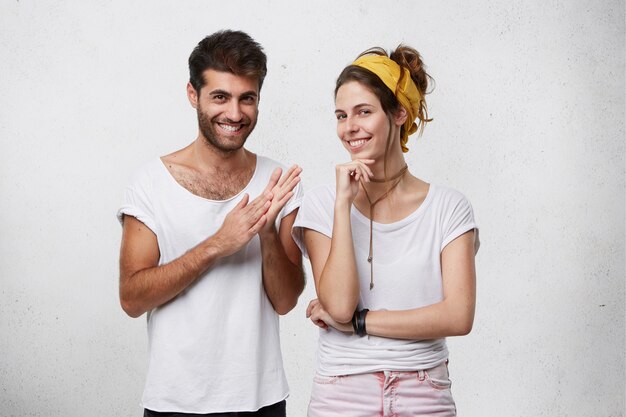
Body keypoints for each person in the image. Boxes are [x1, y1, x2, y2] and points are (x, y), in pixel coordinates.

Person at [117, 30, 304, 417]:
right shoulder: (151, 182)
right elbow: (132, 299)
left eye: (246, 98)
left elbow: (285, 301)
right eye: (220, 96)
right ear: (193, 94)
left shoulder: (276, 182)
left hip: (262, 400)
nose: (234, 114)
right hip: (176, 403)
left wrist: (266, 231)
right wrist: (218, 244)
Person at [292, 45, 479, 416]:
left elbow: (458, 316)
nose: (350, 127)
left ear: (398, 113)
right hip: (341, 392)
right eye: (341, 115)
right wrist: (342, 207)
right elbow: (340, 306)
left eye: (364, 111)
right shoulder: (321, 204)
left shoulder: (449, 208)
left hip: (424, 389)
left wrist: (361, 323)